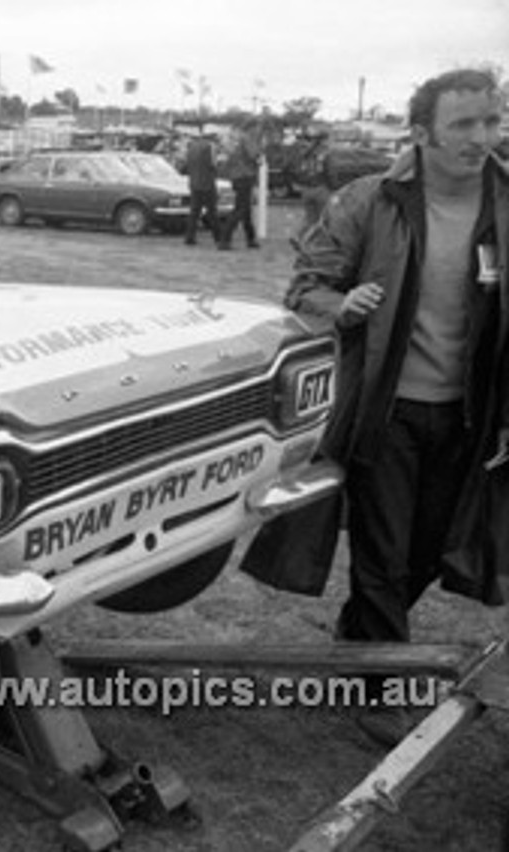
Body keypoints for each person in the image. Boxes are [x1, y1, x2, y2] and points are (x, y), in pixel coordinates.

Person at [242, 68, 509, 746]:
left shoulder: (506, 200)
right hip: (384, 412)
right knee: (383, 552)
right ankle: (383, 690)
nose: (482, 137)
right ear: (420, 134)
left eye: (491, 120)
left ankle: (361, 637)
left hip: (471, 419)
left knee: (432, 547)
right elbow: (305, 288)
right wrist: (345, 304)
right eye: (464, 125)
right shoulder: (372, 199)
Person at [217, 121, 262, 249]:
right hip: (245, 175)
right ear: (252, 128)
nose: (258, 131)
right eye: (257, 128)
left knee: (245, 209)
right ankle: (224, 239)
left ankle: (251, 238)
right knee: (240, 209)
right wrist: (260, 156)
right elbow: (254, 155)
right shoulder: (248, 138)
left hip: (236, 176)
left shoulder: (236, 139)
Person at [182, 132, 221, 246]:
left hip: (194, 182)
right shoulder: (210, 147)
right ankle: (218, 237)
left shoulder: (191, 146)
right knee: (212, 211)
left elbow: (186, 165)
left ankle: (189, 237)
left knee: (194, 212)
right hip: (207, 183)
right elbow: (213, 164)